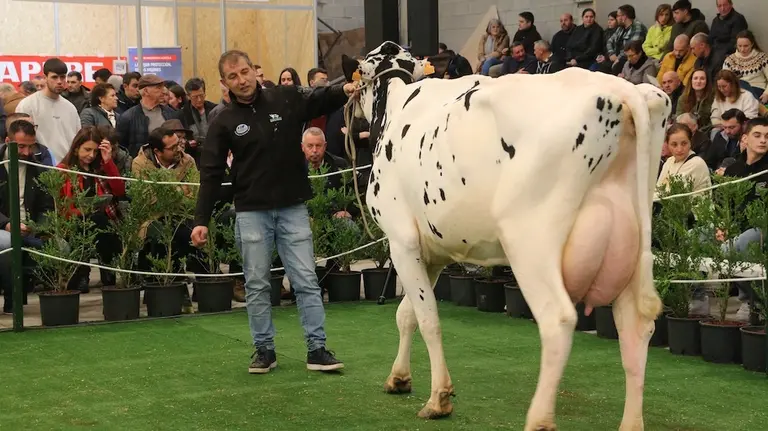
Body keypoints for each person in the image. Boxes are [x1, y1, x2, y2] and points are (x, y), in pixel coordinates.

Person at [191, 50, 358, 374]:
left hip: (293, 207)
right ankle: (264, 350)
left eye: (244, 72)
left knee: (306, 280)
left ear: (254, 71)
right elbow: (210, 173)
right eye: (233, 77)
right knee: (256, 284)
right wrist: (201, 221)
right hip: (251, 212)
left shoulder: (284, 98)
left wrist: (344, 90)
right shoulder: (223, 121)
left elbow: (319, 100)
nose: (241, 80)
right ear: (224, 83)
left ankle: (317, 349)